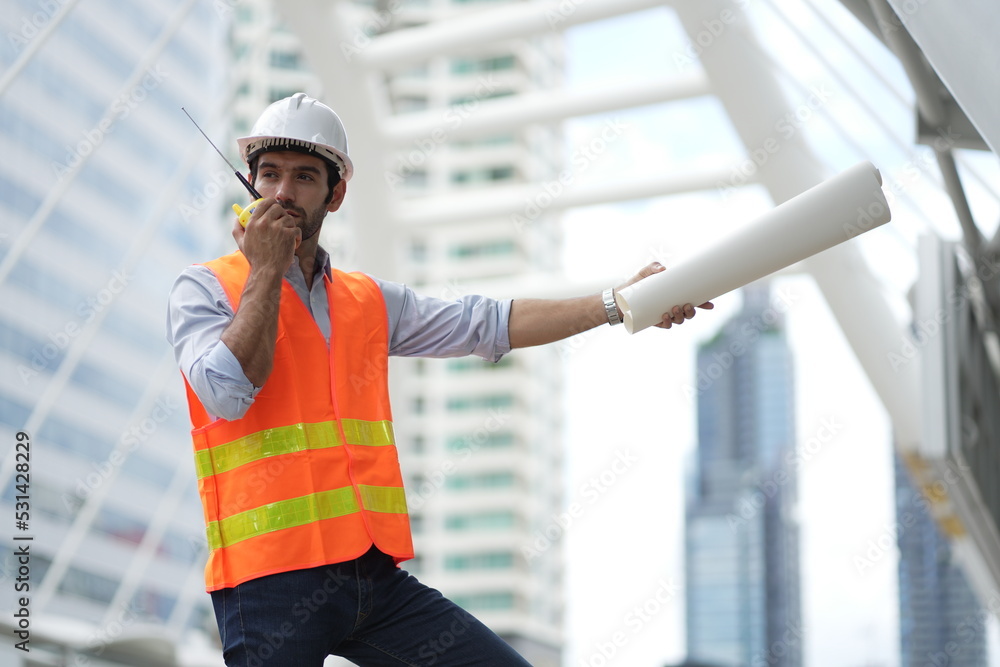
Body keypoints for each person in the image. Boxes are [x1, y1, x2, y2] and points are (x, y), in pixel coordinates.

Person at [166, 92, 711, 667]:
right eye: (270, 175)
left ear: (337, 193)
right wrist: (267, 271)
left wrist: (622, 302)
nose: (283, 192)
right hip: (267, 582)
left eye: (304, 177)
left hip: (371, 578)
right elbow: (226, 393)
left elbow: (488, 323)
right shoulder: (202, 288)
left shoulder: (368, 301)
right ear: (248, 183)